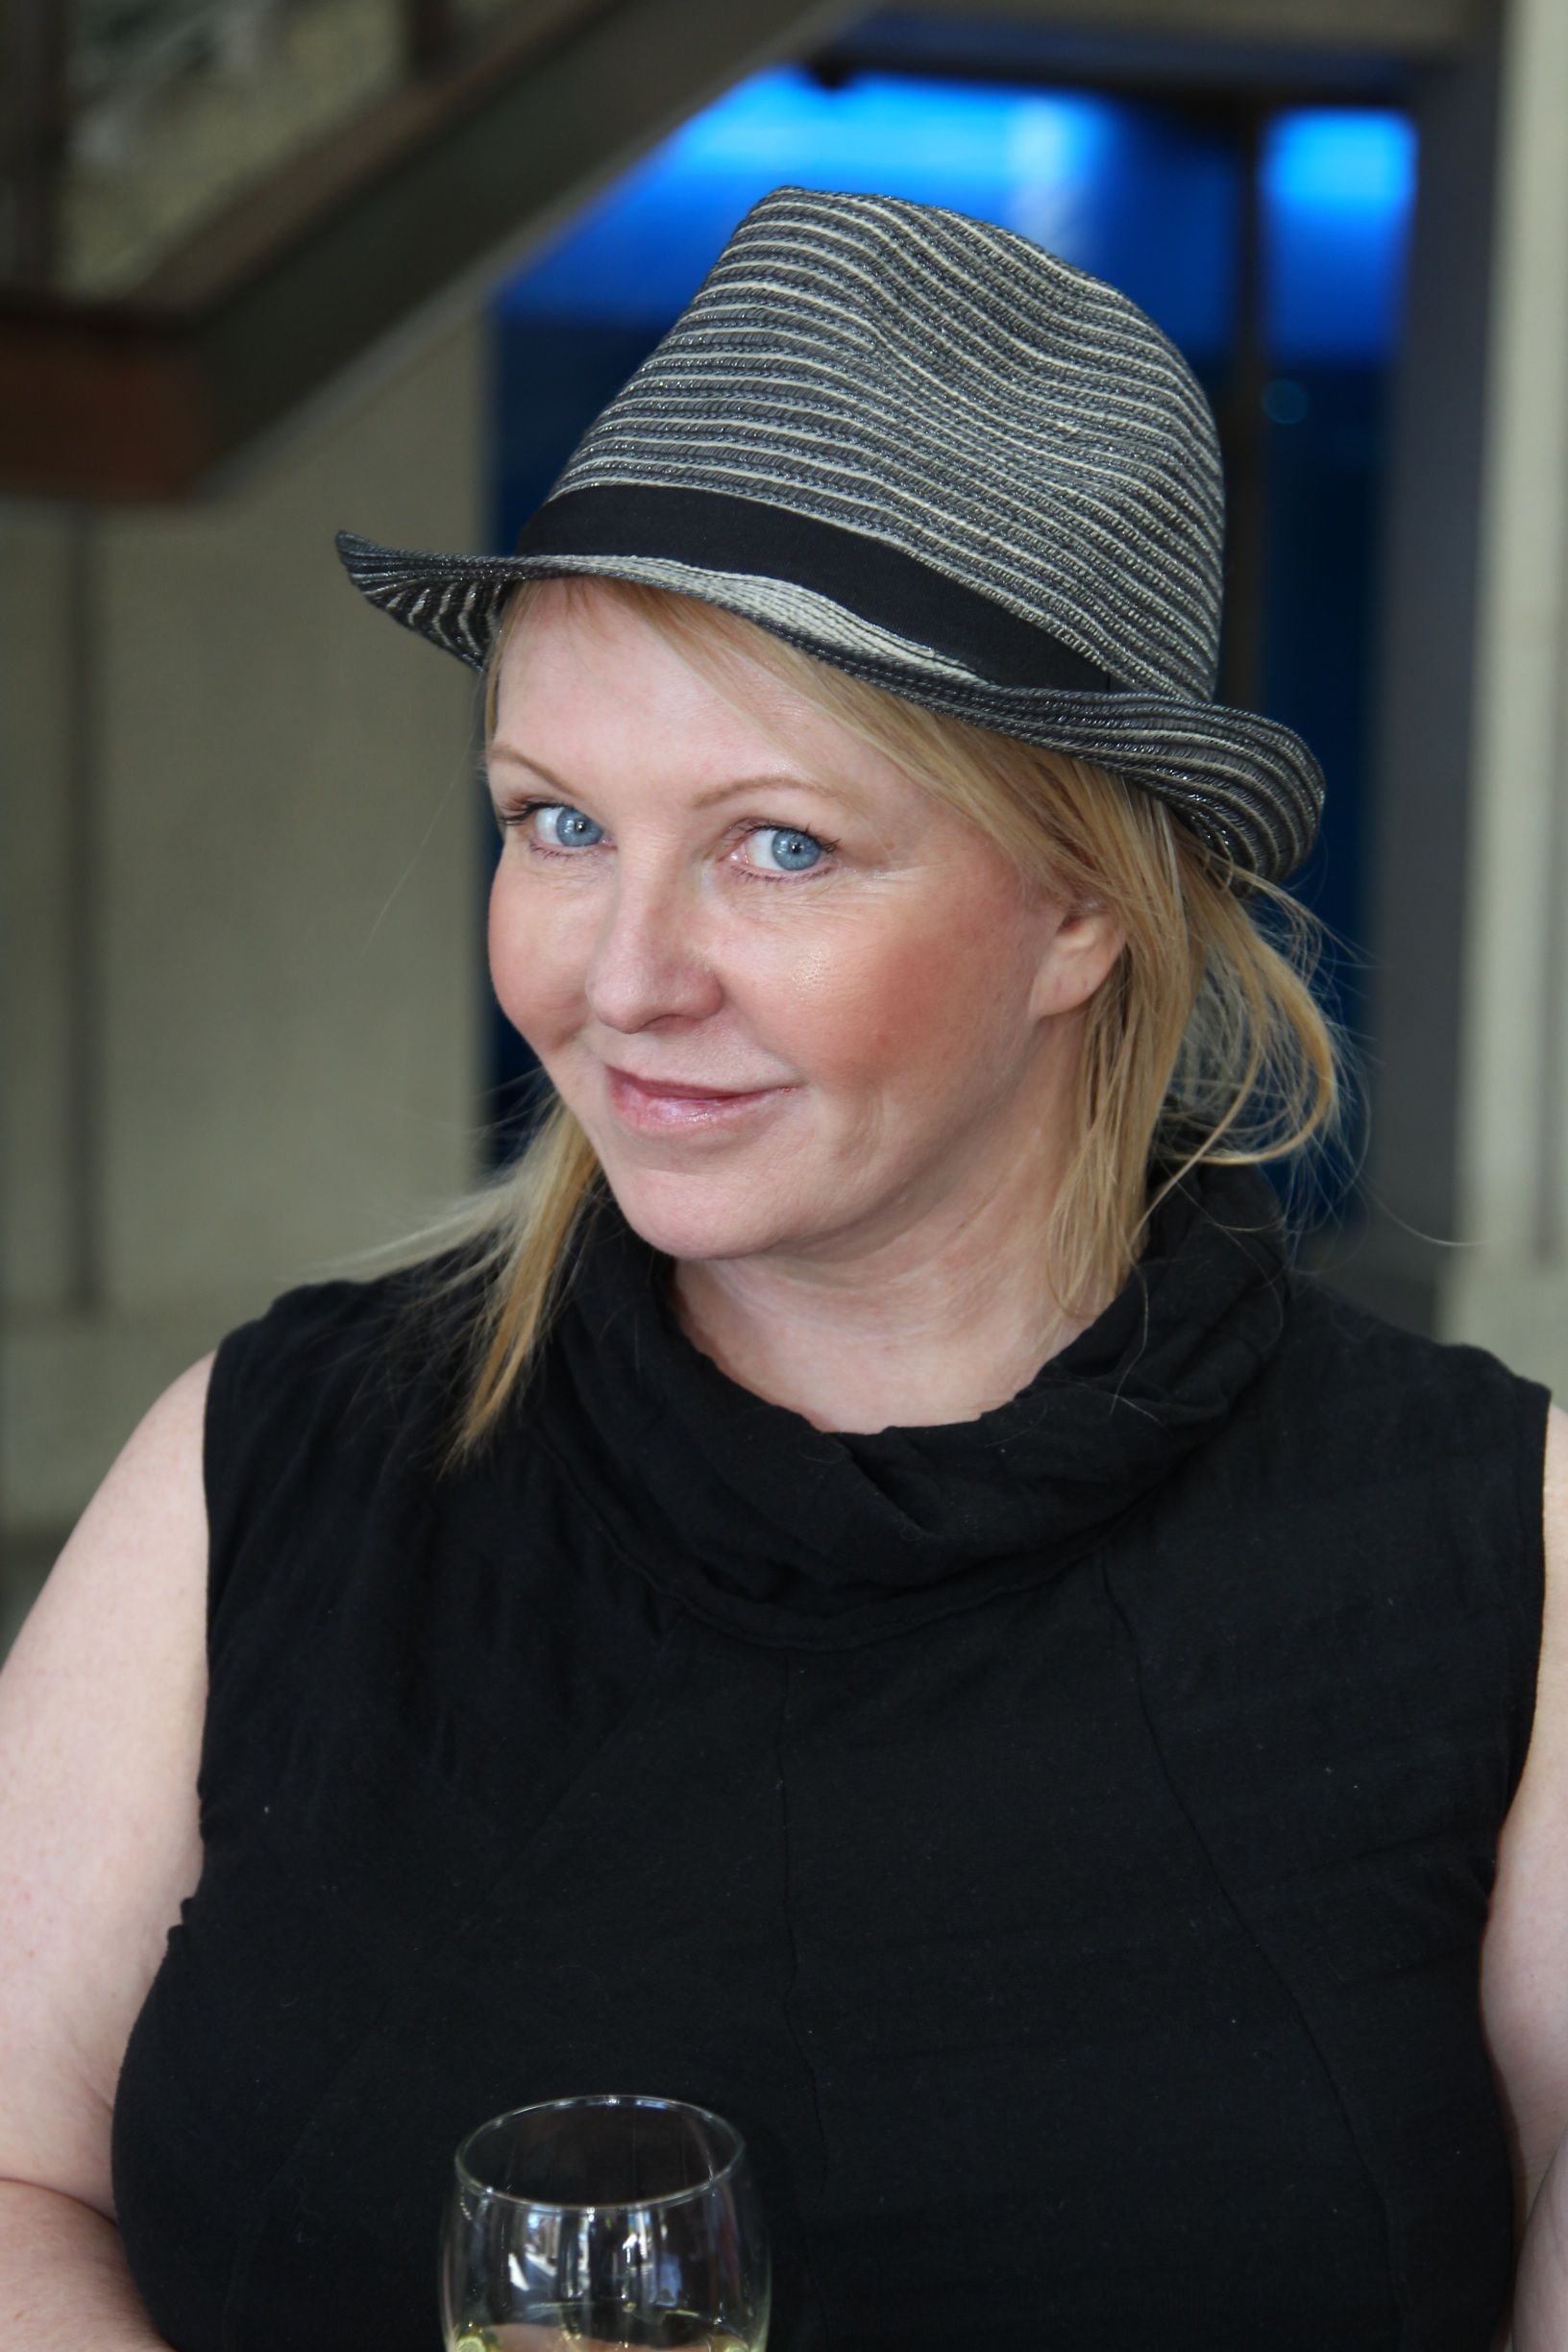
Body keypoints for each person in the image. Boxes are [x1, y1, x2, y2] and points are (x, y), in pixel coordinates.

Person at [2, 184, 1566, 2352]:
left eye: (780, 844)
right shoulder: (266, 1465)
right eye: (556, 821)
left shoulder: (1505, 1551)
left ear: (1082, 911)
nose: (621, 975)